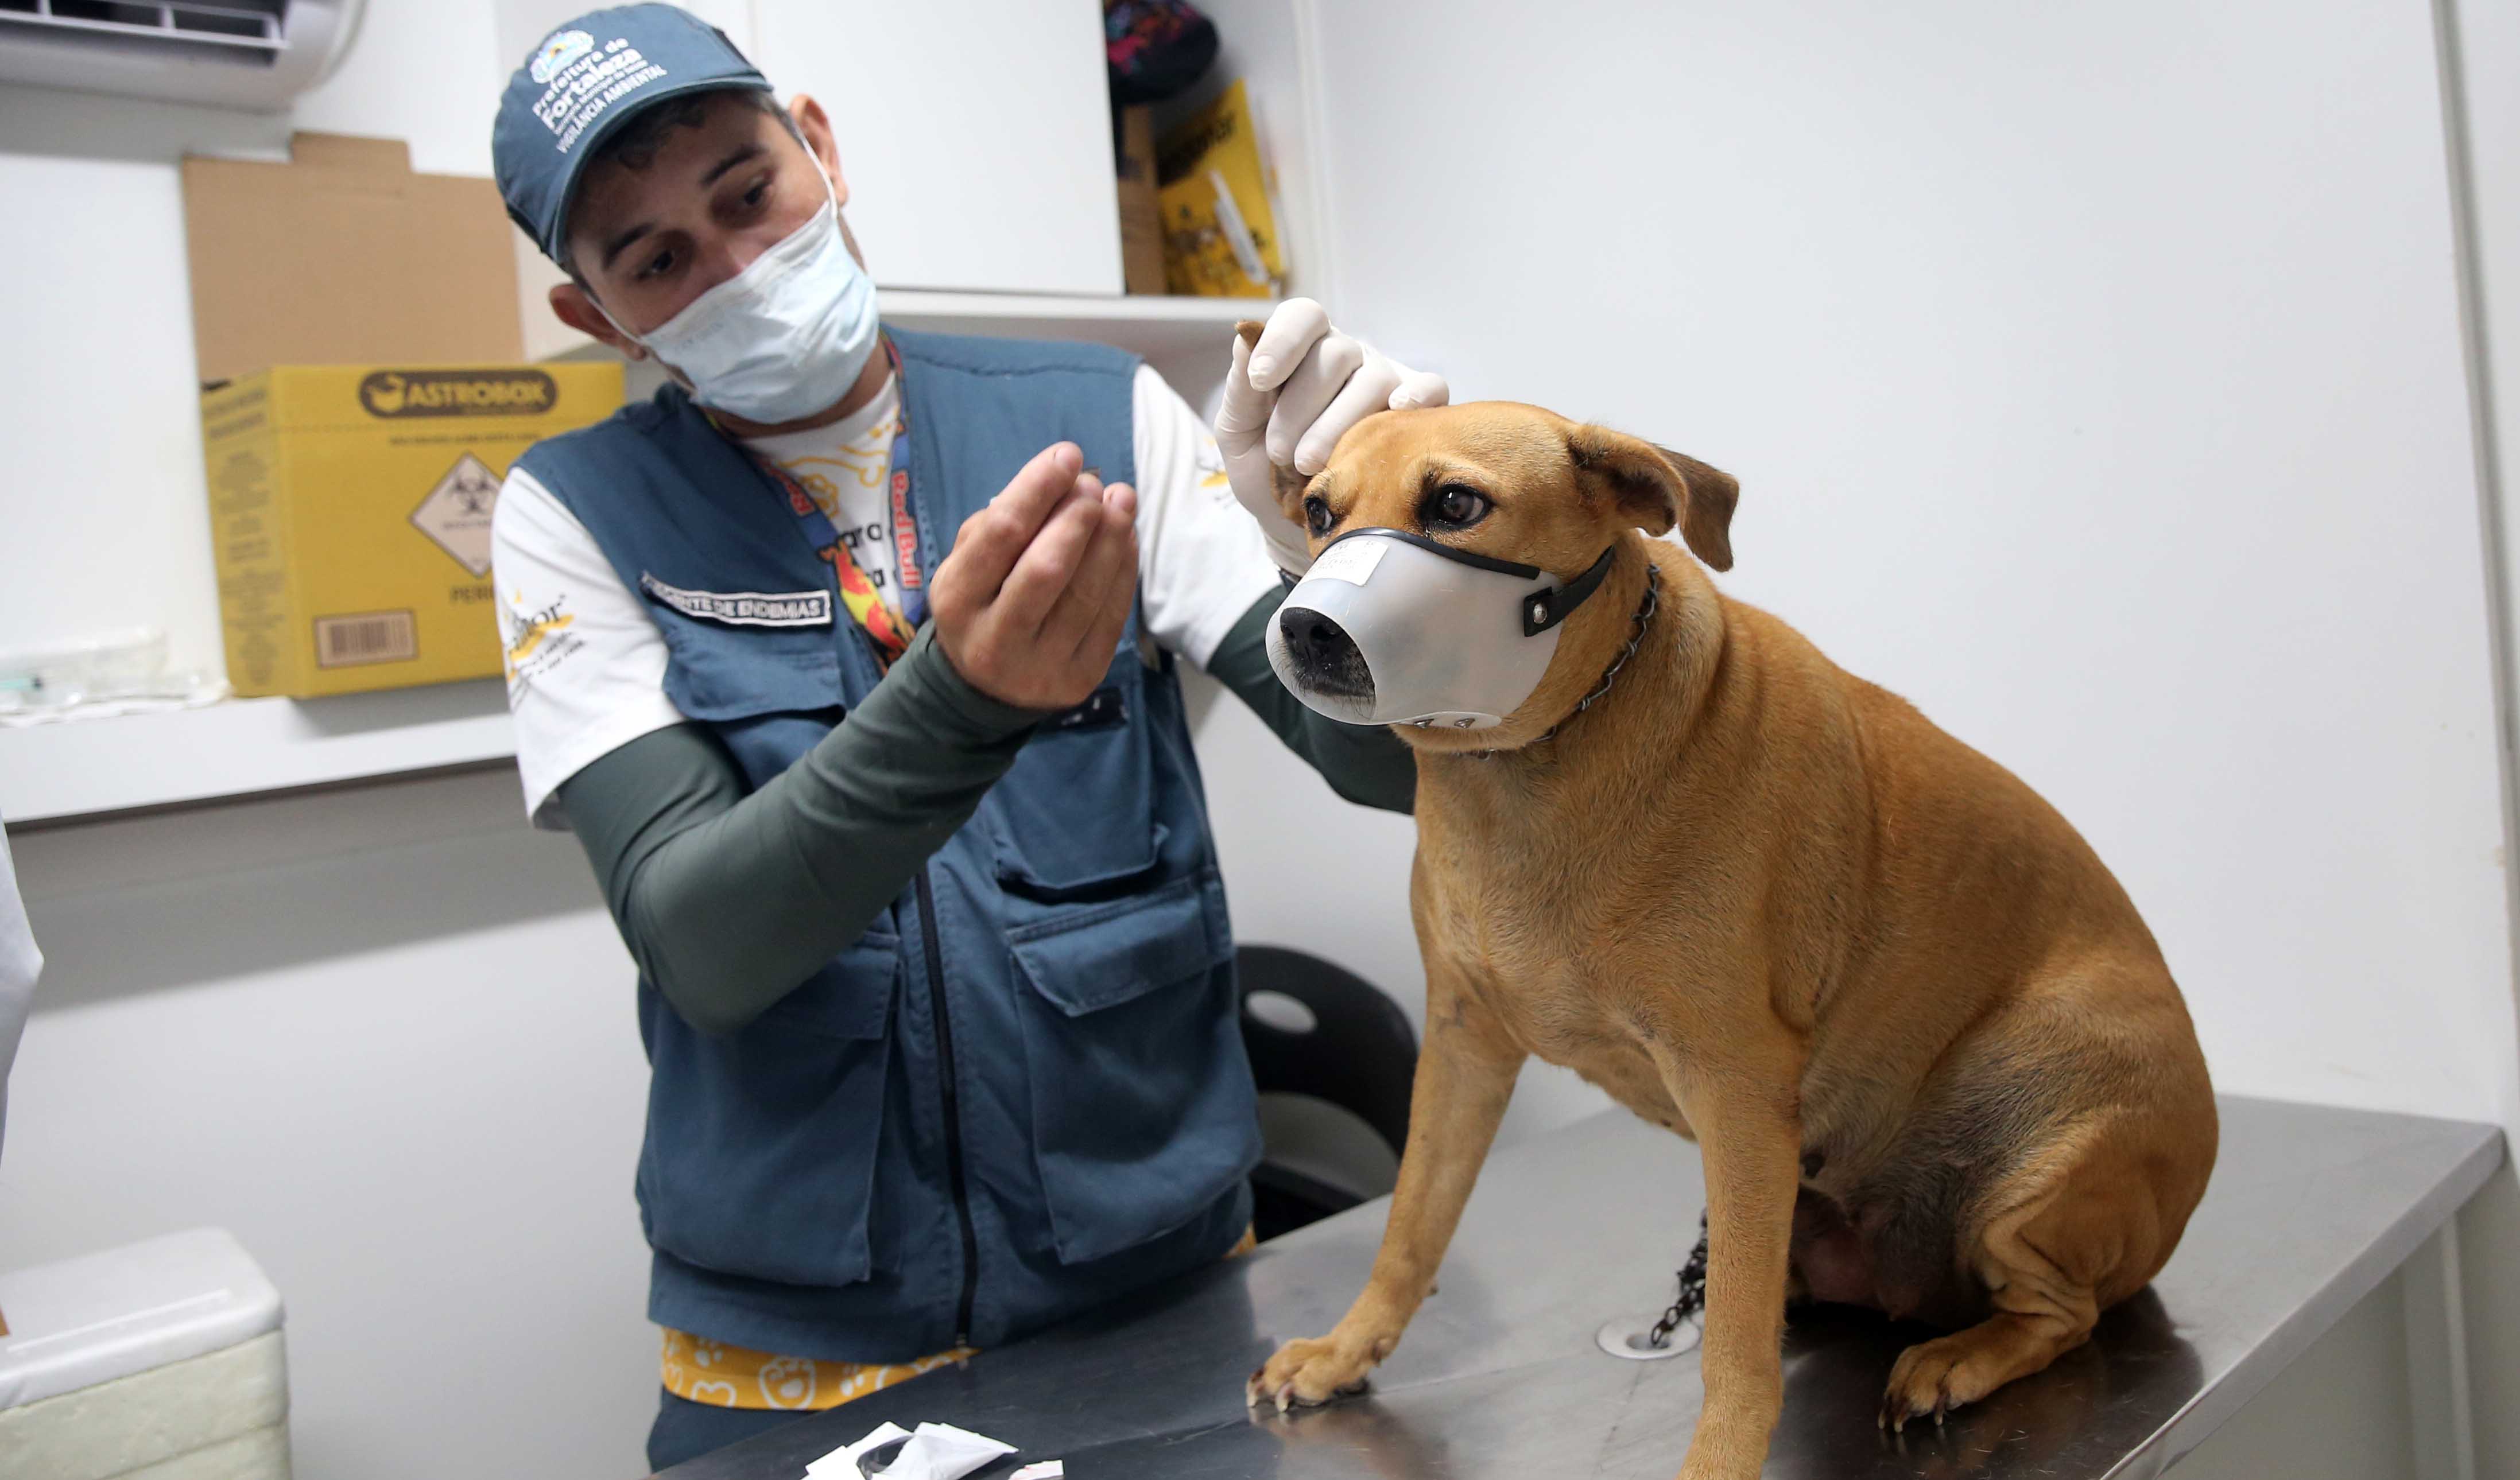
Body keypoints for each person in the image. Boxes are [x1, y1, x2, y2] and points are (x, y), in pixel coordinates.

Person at [486, 7, 1445, 1468]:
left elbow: (1384, 772)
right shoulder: (572, 513)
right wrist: (965, 705)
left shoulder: (1098, 413)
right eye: (657, 258)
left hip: (1159, 1282)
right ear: (596, 316)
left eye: (749, 193)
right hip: (799, 1349)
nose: (738, 267)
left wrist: (1360, 557)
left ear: (819, 147)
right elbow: (703, 942)